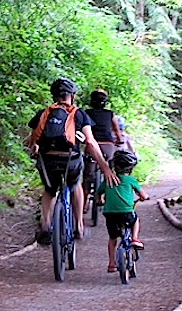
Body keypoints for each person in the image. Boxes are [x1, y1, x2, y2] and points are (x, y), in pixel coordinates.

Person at [28, 78, 118, 245]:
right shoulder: (79, 114)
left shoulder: (43, 113)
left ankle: (46, 226)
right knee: (75, 184)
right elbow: (90, 142)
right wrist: (104, 167)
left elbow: (33, 143)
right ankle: (78, 226)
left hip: (48, 161)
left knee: (49, 190)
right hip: (71, 161)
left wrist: (35, 150)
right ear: (73, 96)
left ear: (53, 96)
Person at [96, 150, 149, 273]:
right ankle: (135, 238)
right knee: (135, 220)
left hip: (110, 213)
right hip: (126, 212)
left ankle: (111, 263)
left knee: (112, 238)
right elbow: (142, 194)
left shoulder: (109, 179)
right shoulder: (130, 180)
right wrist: (144, 197)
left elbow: (99, 192)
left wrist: (99, 200)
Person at [83, 89, 123, 213]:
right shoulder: (110, 114)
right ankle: (103, 198)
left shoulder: (86, 113)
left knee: (87, 176)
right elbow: (117, 131)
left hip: (92, 146)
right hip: (108, 145)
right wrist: (119, 140)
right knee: (109, 170)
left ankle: (83, 203)